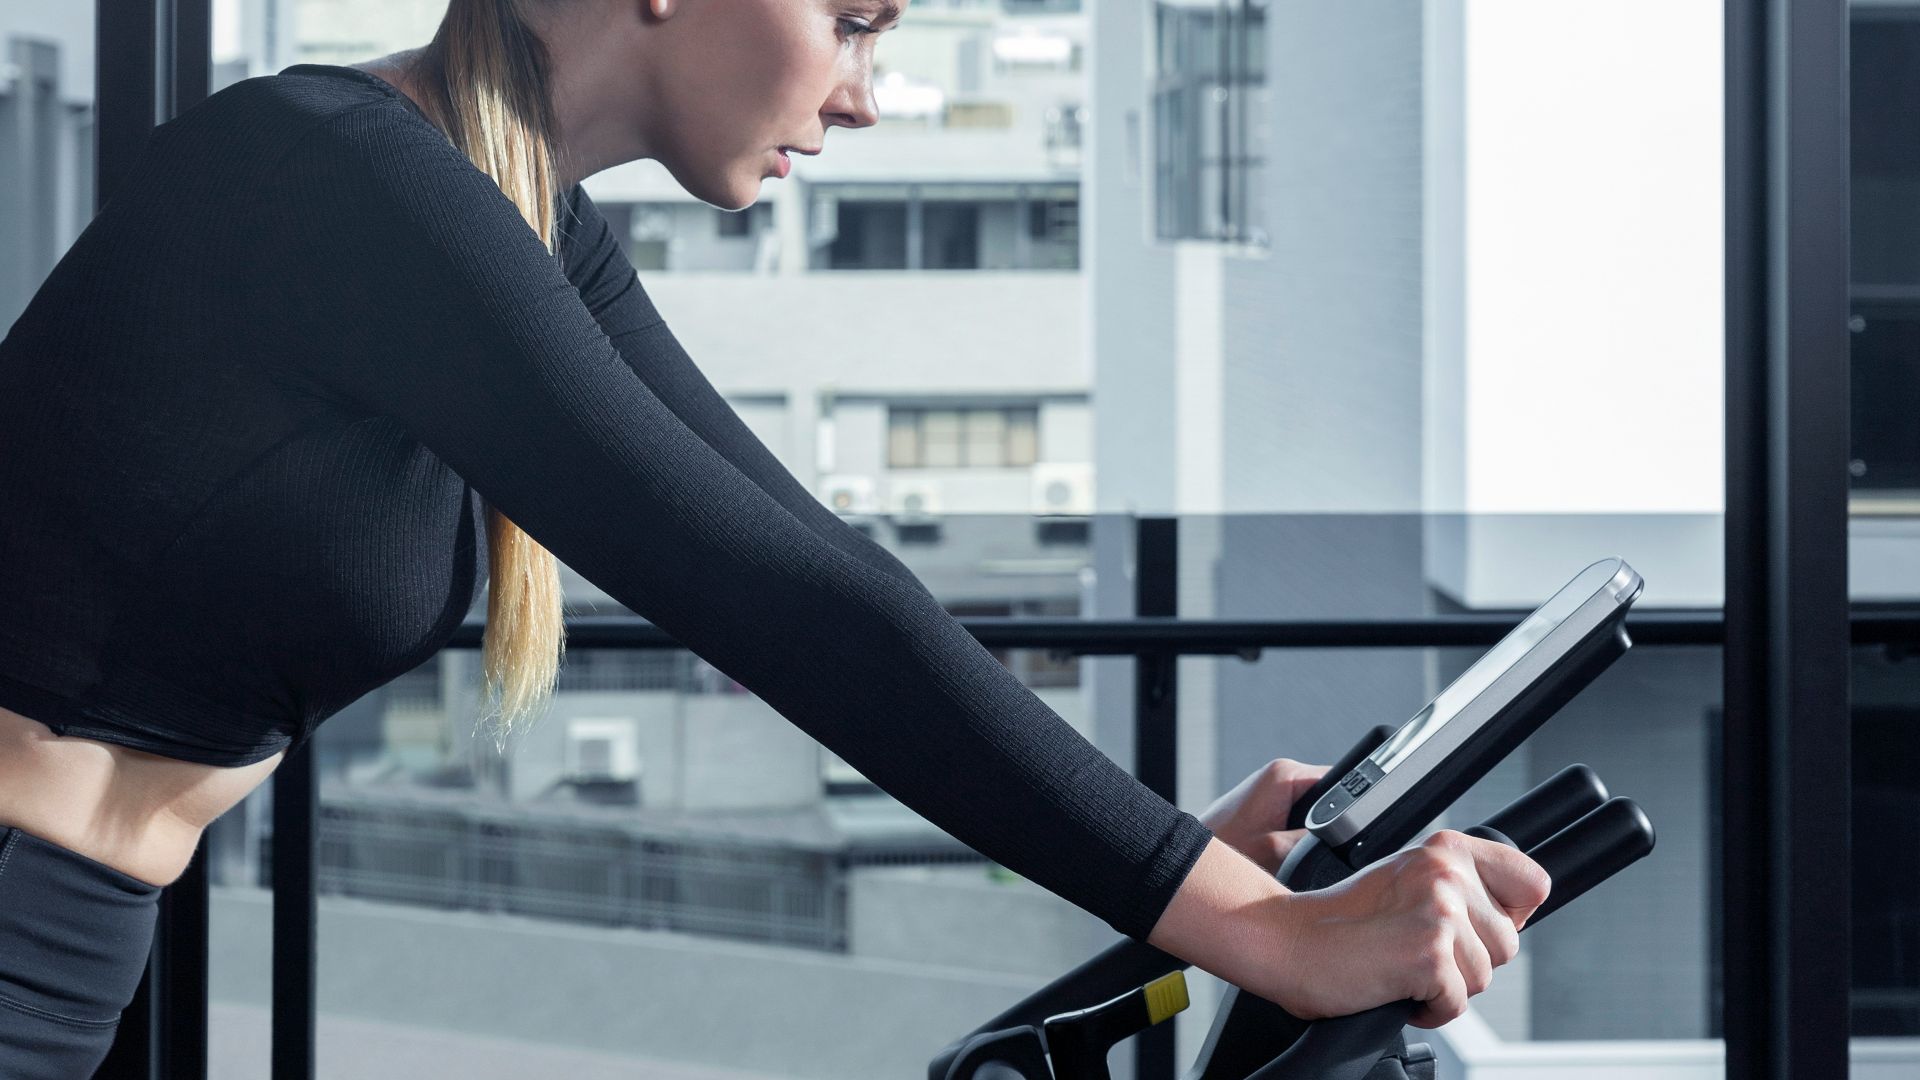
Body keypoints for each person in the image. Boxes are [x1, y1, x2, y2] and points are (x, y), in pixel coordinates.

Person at [0, 0, 1549, 1075]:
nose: (868, 93)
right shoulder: (333, 173)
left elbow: (824, 565)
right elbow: (771, 603)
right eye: (857, 21)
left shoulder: (516, 218)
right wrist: (1266, 935)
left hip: (74, 937)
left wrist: (1181, 861)